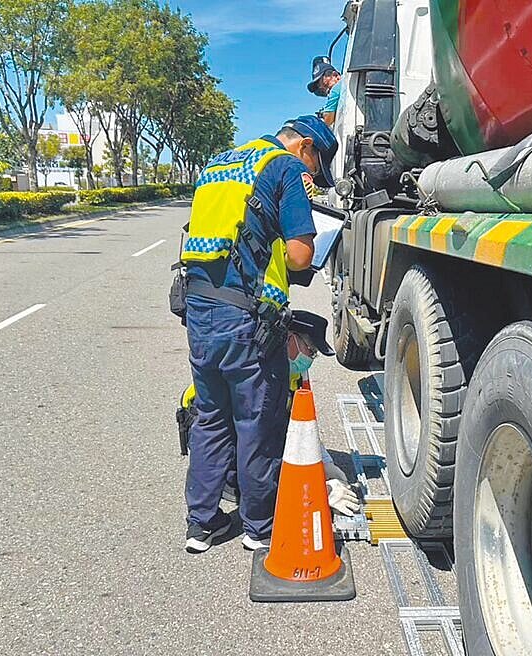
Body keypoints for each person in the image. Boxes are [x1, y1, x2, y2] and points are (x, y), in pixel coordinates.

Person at [180, 115, 338, 555]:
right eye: (314, 163)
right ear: (303, 146)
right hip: (246, 317)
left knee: (211, 415)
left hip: (199, 309)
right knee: (256, 422)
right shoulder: (282, 167)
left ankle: (202, 524)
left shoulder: (219, 163)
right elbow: (301, 256)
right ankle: (258, 527)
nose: (311, 175)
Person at [176, 310, 362, 516]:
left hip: (242, 445)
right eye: (311, 350)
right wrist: (317, 488)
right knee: (265, 463)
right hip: (228, 459)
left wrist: (325, 465)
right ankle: (241, 514)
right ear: (291, 339)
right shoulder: (259, 373)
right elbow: (258, 441)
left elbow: (299, 426)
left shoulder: (290, 374)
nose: (311, 358)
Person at [307, 55, 342, 127]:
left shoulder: (335, 89)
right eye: (319, 86)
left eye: (325, 84)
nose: (322, 88)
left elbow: (327, 122)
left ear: (336, 75)